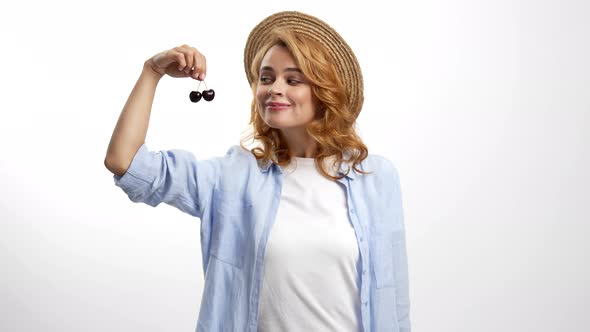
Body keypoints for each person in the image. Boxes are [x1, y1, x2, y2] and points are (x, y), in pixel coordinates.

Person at [104, 10, 411, 332]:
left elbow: (393, 297)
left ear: (325, 92)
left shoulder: (376, 177)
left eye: (293, 79)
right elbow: (125, 162)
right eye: (266, 78)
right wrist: (152, 71)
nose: (274, 88)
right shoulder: (232, 178)